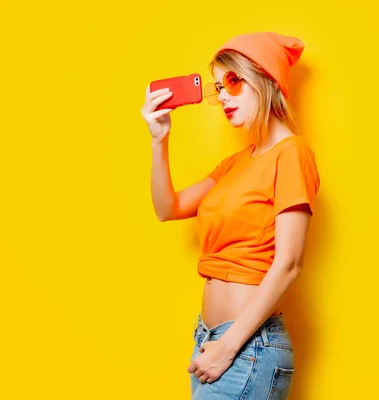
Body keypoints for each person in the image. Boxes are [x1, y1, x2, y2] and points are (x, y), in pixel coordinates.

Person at [140, 32, 320, 399]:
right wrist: (160, 139)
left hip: (245, 346)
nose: (221, 95)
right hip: (211, 342)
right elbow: (167, 208)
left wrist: (228, 347)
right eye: (219, 86)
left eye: (233, 82)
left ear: (266, 80)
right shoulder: (236, 164)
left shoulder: (291, 155)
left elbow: (289, 263)